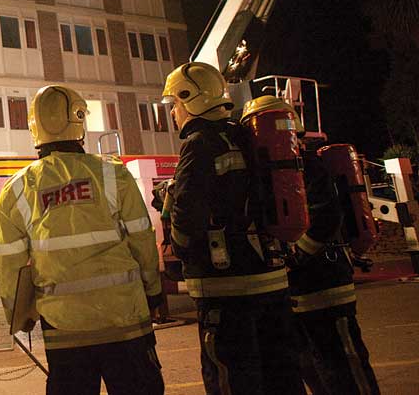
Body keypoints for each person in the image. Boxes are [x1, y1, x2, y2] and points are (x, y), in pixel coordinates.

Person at [0, 84, 165, 395]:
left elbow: (9, 264)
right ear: (79, 121)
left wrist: (20, 317)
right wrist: (154, 291)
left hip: (64, 329)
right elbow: (142, 238)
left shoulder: (17, 189)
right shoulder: (113, 174)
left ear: (35, 126)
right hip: (125, 321)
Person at [162, 62, 304, 395]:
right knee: (283, 378)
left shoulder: (198, 144)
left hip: (226, 291)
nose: (172, 112)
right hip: (272, 282)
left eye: (175, 104)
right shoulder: (245, 135)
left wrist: (179, 250)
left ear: (189, 99)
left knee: (232, 380)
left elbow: (186, 219)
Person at [241, 96, 380, 395]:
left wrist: (295, 257)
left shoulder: (307, 166)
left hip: (323, 285)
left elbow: (328, 216)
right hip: (305, 286)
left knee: (342, 364)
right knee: (321, 367)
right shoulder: (281, 170)